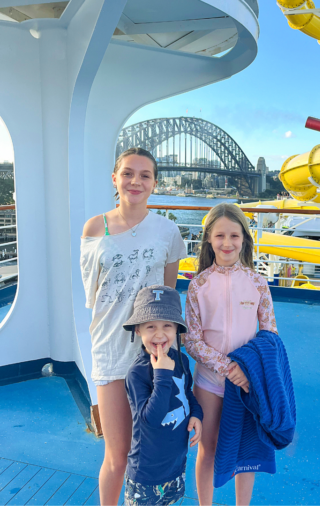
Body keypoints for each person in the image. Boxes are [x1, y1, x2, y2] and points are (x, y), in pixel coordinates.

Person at [81, 147, 187, 505]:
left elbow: (166, 295)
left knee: (155, 443)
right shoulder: (95, 227)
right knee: (117, 452)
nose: (135, 181)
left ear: (155, 182)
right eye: (128, 173)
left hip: (153, 349)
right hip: (110, 347)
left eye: (145, 175)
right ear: (115, 178)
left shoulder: (168, 231)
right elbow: (93, 294)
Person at [184, 203, 278, 506]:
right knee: (207, 449)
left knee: (245, 451)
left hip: (246, 384)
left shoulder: (258, 283)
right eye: (220, 235)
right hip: (210, 383)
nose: (227, 243)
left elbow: (270, 336)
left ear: (244, 239)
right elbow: (193, 342)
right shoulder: (198, 285)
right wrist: (229, 367)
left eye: (234, 236)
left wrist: (247, 370)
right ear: (209, 239)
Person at [122, 286, 203, 506]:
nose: (159, 334)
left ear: (177, 327)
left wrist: (196, 414)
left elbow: (186, 393)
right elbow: (150, 419)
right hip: (146, 474)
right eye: (151, 327)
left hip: (175, 466)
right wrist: (162, 375)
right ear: (138, 330)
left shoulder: (182, 360)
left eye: (167, 325)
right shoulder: (137, 373)